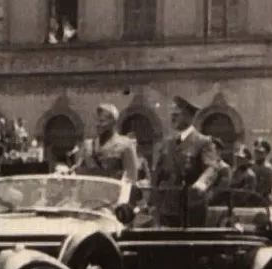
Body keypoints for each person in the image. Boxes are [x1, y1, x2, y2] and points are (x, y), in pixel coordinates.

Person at [148, 96, 219, 227]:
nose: (172, 118)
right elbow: (158, 174)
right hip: (167, 208)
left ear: (189, 117)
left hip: (190, 207)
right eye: (172, 115)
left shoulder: (203, 142)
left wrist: (201, 184)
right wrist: (151, 201)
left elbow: (212, 168)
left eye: (177, 115)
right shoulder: (168, 143)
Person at [74, 103, 138, 182]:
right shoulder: (88, 145)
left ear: (113, 122)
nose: (98, 124)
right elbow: (77, 172)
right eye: (97, 120)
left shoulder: (126, 145)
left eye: (102, 121)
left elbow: (131, 178)